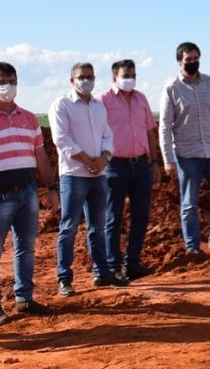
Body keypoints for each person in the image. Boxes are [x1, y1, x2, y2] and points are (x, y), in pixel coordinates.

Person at [0, 62, 59, 326]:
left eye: (11, 81)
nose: (7, 87)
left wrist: (52, 188)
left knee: (26, 248)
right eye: (1, 82)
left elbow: (41, 157)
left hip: (27, 193)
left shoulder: (29, 119)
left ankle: (24, 299)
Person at [50, 62, 128, 296]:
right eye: (82, 77)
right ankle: (64, 279)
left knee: (98, 227)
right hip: (74, 176)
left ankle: (101, 272)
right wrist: (87, 161)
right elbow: (62, 140)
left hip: (98, 176)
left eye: (90, 76)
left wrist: (103, 159)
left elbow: (108, 135)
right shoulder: (61, 105)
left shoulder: (98, 106)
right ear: (71, 80)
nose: (86, 80)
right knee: (69, 227)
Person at [159, 42, 210, 255]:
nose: (193, 63)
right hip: (187, 155)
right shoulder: (171, 89)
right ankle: (192, 247)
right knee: (189, 203)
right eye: (188, 60)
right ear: (179, 62)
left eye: (195, 59)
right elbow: (165, 126)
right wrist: (168, 159)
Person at [100, 59, 161, 280]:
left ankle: (132, 262)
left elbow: (150, 132)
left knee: (141, 215)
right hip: (115, 166)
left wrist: (155, 162)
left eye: (133, 75)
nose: (130, 79)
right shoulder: (103, 102)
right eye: (126, 75)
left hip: (141, 165)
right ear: (114, 77)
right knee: (113, 217)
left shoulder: (141, 99)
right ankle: (113, 265)